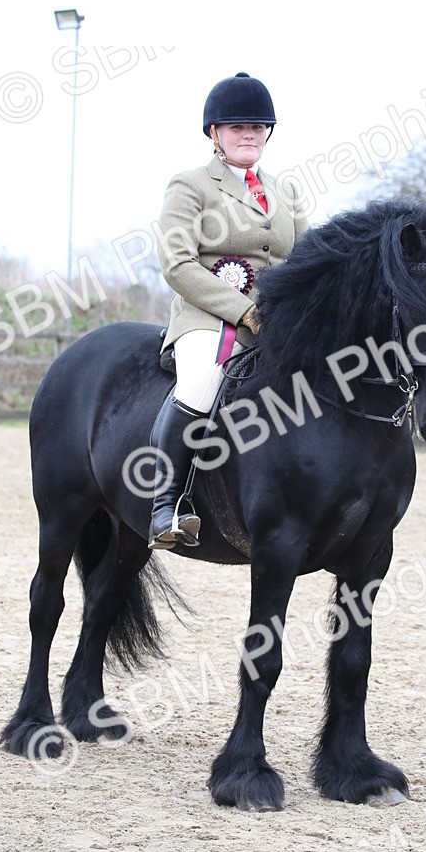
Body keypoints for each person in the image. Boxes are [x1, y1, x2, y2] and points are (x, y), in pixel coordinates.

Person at [149, 72, 309, 550]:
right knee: (201, 381)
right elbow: (177, 264)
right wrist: (243, 312)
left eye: (258, 128)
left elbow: (306, 258)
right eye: (237, 127)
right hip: (208, 318)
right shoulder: (190, 186)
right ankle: (165, 503)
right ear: (214, 134)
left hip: (277, 323)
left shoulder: (286, 192)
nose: (249, 135)